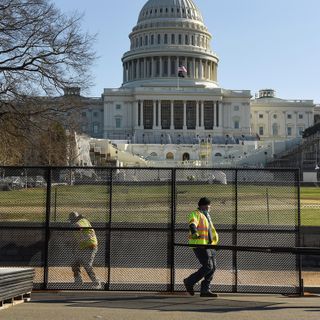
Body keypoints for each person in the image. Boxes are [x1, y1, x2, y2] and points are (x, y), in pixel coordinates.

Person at [183, 197, 219, 297]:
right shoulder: (196, 213)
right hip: (200, 244)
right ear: (202, 205)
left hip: (209, 245)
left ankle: (205, 290)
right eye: (208, 206)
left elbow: (210, 231)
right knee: (208, 266)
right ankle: (189, 281)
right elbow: (192, 223)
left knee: (213, 267)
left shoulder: (207, 216)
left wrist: (214, 243)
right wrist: (194, 232)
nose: (209, 208)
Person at [69, 211, 101, 289]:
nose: (71, 222)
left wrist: (74, 226)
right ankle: (78, 281)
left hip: (90, 245)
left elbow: (78, 226)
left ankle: (97, 282)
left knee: (87, 264)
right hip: (83, 247)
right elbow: (78, 238)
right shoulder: (74, 225)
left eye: (72, 220)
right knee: (74, 263)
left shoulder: (83, 220)